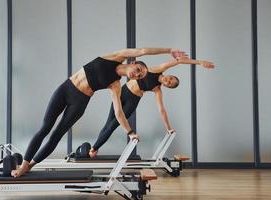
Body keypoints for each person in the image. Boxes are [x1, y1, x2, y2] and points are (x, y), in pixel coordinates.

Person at [11, 48, 187, 177]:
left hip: (79, 103)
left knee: (56, 136)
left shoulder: (116, 85)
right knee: (44, 128)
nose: (137, 75)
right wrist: (169, 50)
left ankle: (29, 165)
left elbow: (119, 112)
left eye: (140, 77)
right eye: (139, 71)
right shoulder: (114, 57)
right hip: (65, 89)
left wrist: (130, 132)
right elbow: (143, 50)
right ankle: (25, 162)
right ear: (133, 63)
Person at [89, 56, 215, 158]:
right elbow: (179, 61)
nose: (168, 81)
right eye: (171, 78)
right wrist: (200, 62)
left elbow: (162, 110)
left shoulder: (157, 90)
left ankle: (94, 149)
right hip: (122, 92)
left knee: (113, 125)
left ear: (167, 87)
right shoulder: (158, 69)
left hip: (133, 101)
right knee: (107, 123)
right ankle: (94, 148)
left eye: (170, 84)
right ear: (169, 75)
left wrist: (169, 128)